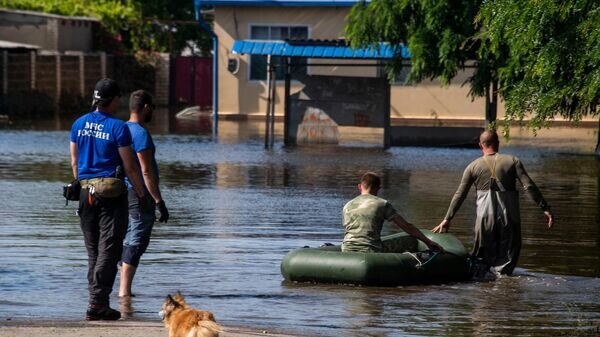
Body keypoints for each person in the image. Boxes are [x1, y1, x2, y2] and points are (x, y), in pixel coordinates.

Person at [70, 78, 150, 320]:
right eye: (118, 98)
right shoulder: (118, 127)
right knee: (110, 250)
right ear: (113, 100)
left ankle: (97, 301)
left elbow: (75, 162)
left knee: (94, 251)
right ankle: (97, 304)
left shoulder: (78, 123)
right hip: (111, 197)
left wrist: (84, 183)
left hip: (85, 194)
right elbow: (131, 167)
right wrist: (142, 194)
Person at [432, 129, 554, 276]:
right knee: (507, 260)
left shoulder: (472, 167)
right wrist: (544, 208)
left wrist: (447, 218)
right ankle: (503, 288)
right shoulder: (513, 161)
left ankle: (484, 290)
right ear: (498, 143)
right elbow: (528, 186)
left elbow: (460, 194)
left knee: (481, 261)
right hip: (509, 218)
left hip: (484, 220)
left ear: (480, 145)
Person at [119, 90, 169, 298]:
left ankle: (123, 291)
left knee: (128, 238)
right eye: (152, 109)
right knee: (137, 241)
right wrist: (159, 201)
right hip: (140, 194)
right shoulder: (140, 133)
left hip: (123, 193)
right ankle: (124, 292)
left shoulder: (120, 129)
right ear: (146, 107)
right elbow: (146, 170)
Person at [342, 172, 443, 253]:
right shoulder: (382, 204)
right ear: (378, 188)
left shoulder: (347, 205)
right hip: (371, 251)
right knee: (409, 241)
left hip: (346, 249)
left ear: (359, 186)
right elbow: (407, 227)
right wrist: (428, 242)